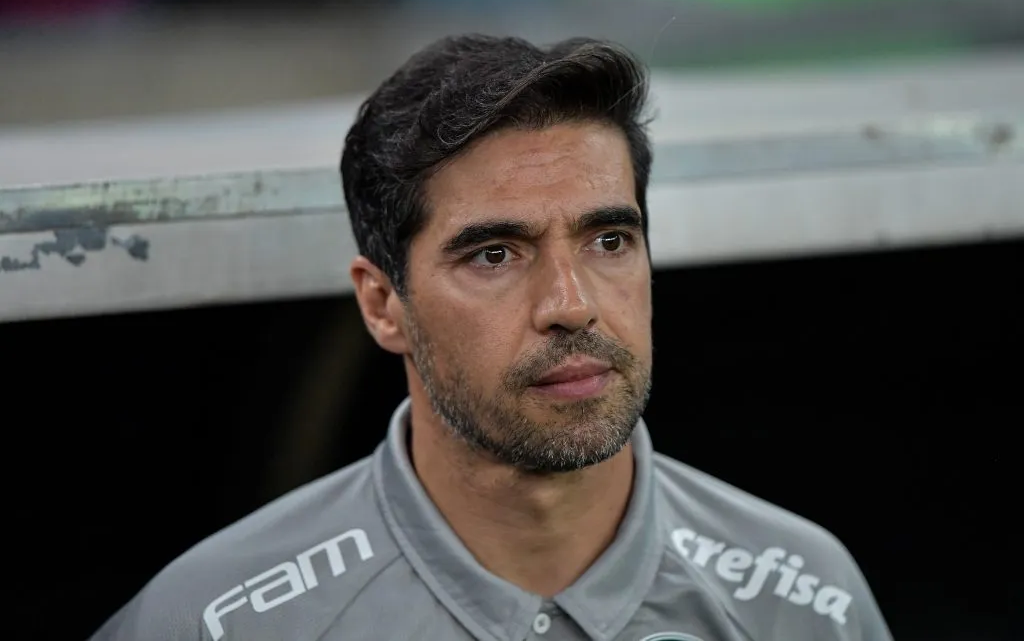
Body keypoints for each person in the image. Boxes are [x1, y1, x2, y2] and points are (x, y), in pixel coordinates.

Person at [89, 35, 892, 641]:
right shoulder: (207, 620)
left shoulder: (804, 599)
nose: (570, 304)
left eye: (608, 240)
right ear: (382, 304)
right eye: (494, 254)